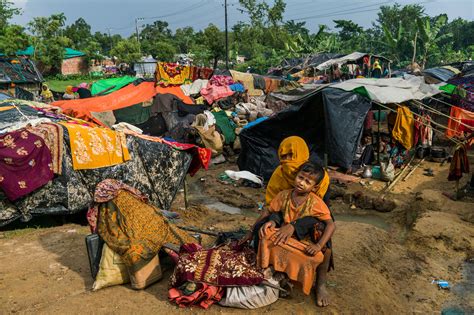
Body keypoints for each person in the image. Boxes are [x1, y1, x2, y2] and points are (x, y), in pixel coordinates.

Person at [257, 162, 336, 307]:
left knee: (318, 255)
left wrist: (318, 245)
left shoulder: (316, 203)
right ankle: (276, 269)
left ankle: (319, 284)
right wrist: (260, 227)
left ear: (315, 187)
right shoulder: (284, 195)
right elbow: (268, 211)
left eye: (308, 182)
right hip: (283, 236)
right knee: (266, 232)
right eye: (300, 177)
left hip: (302, 242)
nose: (302, 183)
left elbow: (331, 224)